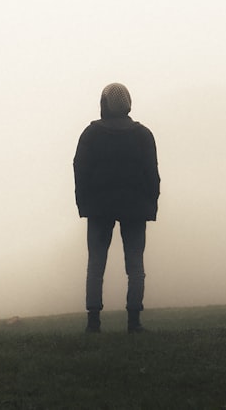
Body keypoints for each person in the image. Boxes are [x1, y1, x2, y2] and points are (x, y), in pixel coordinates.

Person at [73, 83, 160, 333]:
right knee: (135, 266)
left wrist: (83, 202)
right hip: (135, 208)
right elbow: (152, 173)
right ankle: (134, 322)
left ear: (104, 104)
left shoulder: (91, 134)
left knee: (96, 265)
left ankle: (94, 322)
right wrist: (151, 203)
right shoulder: (143, 135)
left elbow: (80, 168)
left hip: (99, 208)